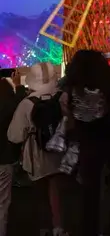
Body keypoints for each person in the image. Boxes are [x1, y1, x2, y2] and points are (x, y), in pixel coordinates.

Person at [61, 50, 110, 236]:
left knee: (90, 188)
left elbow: (65, 107)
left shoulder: (72, 85)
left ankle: (90, 229)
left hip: (88, 140)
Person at [8, 62, 67, 236]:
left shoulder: (27, 103)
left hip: (36, 156)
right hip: (59, 151)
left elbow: (14, 135)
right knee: (57, 192)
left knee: (40, 194)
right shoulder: (62, 98)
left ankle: (45, 229)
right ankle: (60, 227)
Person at [0, 74, 22, 236]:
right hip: (4, 158)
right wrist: (18, 86)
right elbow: (18, 104)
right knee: (2, 203)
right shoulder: (9, 106)